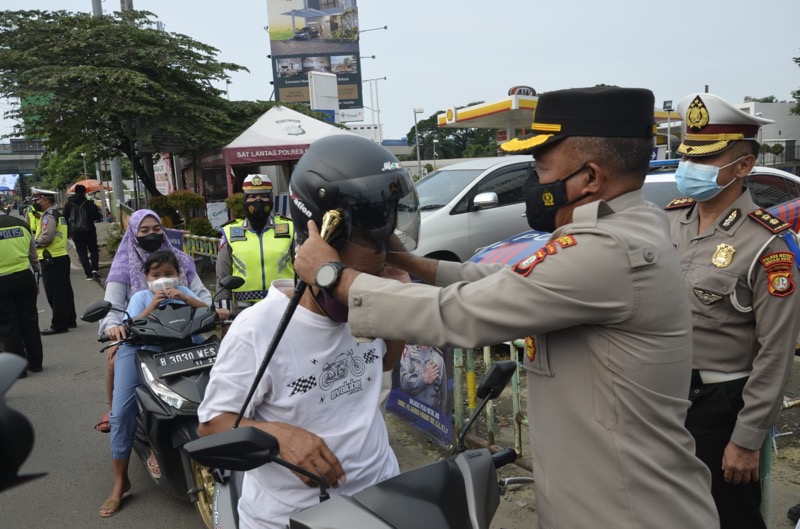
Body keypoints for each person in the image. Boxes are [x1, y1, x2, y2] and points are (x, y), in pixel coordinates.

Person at [294, 87, 720, 528]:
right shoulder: (622, 227)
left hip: (628, 513)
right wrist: (407, 263)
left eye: (540, 169)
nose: (532, 185)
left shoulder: (610, 251)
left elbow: (461, 314)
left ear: (589, 178)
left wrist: (334, 277)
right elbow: (508, 284)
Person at [198, 135, 415, 529]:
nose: (361, 293)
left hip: (381, 497)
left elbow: (384, 362)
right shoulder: (258, 328)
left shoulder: (374, 298)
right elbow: (213, 424)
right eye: (354, 280)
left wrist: (394, 308)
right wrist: (279, 437)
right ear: (321, 249)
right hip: (292, 518)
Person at [664, 93, 800, 529]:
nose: (690, 168)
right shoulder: (669, 221)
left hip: (719, 405)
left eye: (706, 159)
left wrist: (746, 439)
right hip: (661, 397)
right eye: (687, 156)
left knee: (728, 515)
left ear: (743, 166)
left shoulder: (767, 243)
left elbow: (775, 352)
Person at [98, 250, 208, 518]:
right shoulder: (140, 297)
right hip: (140, 351)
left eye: (169, 274)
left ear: (178, 275)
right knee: (122, 413)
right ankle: (120, 482)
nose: (163, 280)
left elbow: (209, 311)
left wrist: (184, 297)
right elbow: (130, 323)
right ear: (146, 278)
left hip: (185, 351)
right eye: (155, 275)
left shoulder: (184, 292)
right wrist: (153, 304)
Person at [96, 211, 211, 459]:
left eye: (156, 228)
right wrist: (113, 328)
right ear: (134, 233)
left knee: (225, 371)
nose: (152, 234)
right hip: (138, 339)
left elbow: (203, 298)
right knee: (121, 401)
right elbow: (113, 308)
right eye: (144, 230)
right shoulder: (123, 265)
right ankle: (120, 474)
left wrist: (213, 311)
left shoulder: (182, 262)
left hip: (184, 334)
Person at [215, 174, 294, 321]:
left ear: (271, 199)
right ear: (245, 200)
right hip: (244, 311)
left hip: (284, 307)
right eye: (252, 196)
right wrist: (225, 320)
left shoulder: (289, 228)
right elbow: (222, 279)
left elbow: (303, 271)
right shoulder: (230, 232)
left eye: (264, 196)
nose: (258, 201)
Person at [0, 211, 43, 377]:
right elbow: (33, 257)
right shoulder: (21, 224)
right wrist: (36, 281)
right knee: (30, 321)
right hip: (25, 278)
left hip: (2, 281)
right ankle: (36, 363)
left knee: (8, 326)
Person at [31, 188, 77, 336]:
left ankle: (59, 324)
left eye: (37, 200)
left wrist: (33, 244)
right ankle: (70, 319)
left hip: (51, 258)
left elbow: (47, 237)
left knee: (54, 293)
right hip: (60, 256)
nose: (35, 203)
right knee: (65, 291)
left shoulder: (48, 216)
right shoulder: (58, 214)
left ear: (45, 200)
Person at [62, 183, 103, 280]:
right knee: (93, 250)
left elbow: (64, 219)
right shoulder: (89, 203)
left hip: (76, 232)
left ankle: (88, 274)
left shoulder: (68, 204)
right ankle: (95, 269)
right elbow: (97, 216)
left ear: (74, 192)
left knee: (82, 252)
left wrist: (68, 232)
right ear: (85, 192)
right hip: (90, 231)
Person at [399, 344, 446, 410]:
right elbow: (402, 382)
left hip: (432, 415)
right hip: (409, 412)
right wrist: (423, 379)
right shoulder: (408, 351)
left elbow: (443, 393)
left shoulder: (438, 356)